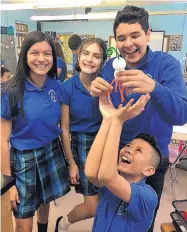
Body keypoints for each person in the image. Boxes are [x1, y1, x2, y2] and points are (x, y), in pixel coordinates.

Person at [90, 5, 187, 232]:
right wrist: (94, 90)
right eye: (121, 38)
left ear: (148, 34)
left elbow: (182, 115)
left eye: (135, 35)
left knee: (143, 221)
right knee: (109, 209)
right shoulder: (109, 68)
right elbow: (105, 112)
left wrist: (154, 87)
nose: (128, 44)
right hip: (117, 154)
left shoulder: (166, 65)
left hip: (150, 161)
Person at [1, 31, 71, 232]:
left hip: (51, 150)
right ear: (25, 56)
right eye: (35, 53)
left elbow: (64, 126)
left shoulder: (56, 86)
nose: (41, 59)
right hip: (23, 160)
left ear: (54, 57)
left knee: (44, 199)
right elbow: (2, 141)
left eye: (47, 53)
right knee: (23, 216)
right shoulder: (10, 91)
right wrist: (9, 184)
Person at [85, 93, 161, 231]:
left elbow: (107, 176)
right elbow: (91, 172)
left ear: (149, 170)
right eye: (128, 145)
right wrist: (107, 120)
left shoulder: (148, 196)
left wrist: (118, 121)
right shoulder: (110, 183)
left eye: (138, 150)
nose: (128, 150)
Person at [55, 38, 107, 232]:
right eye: (86, 53)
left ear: (102, 61)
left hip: (105, 143)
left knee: (107, 200)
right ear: (78, 56)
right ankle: (63, 223)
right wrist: (72, 162)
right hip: (82, 146)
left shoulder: (105, 85)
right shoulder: (67, 87)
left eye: (96, 56)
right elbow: (65, 128)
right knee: (92, 206)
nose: (90, 59)